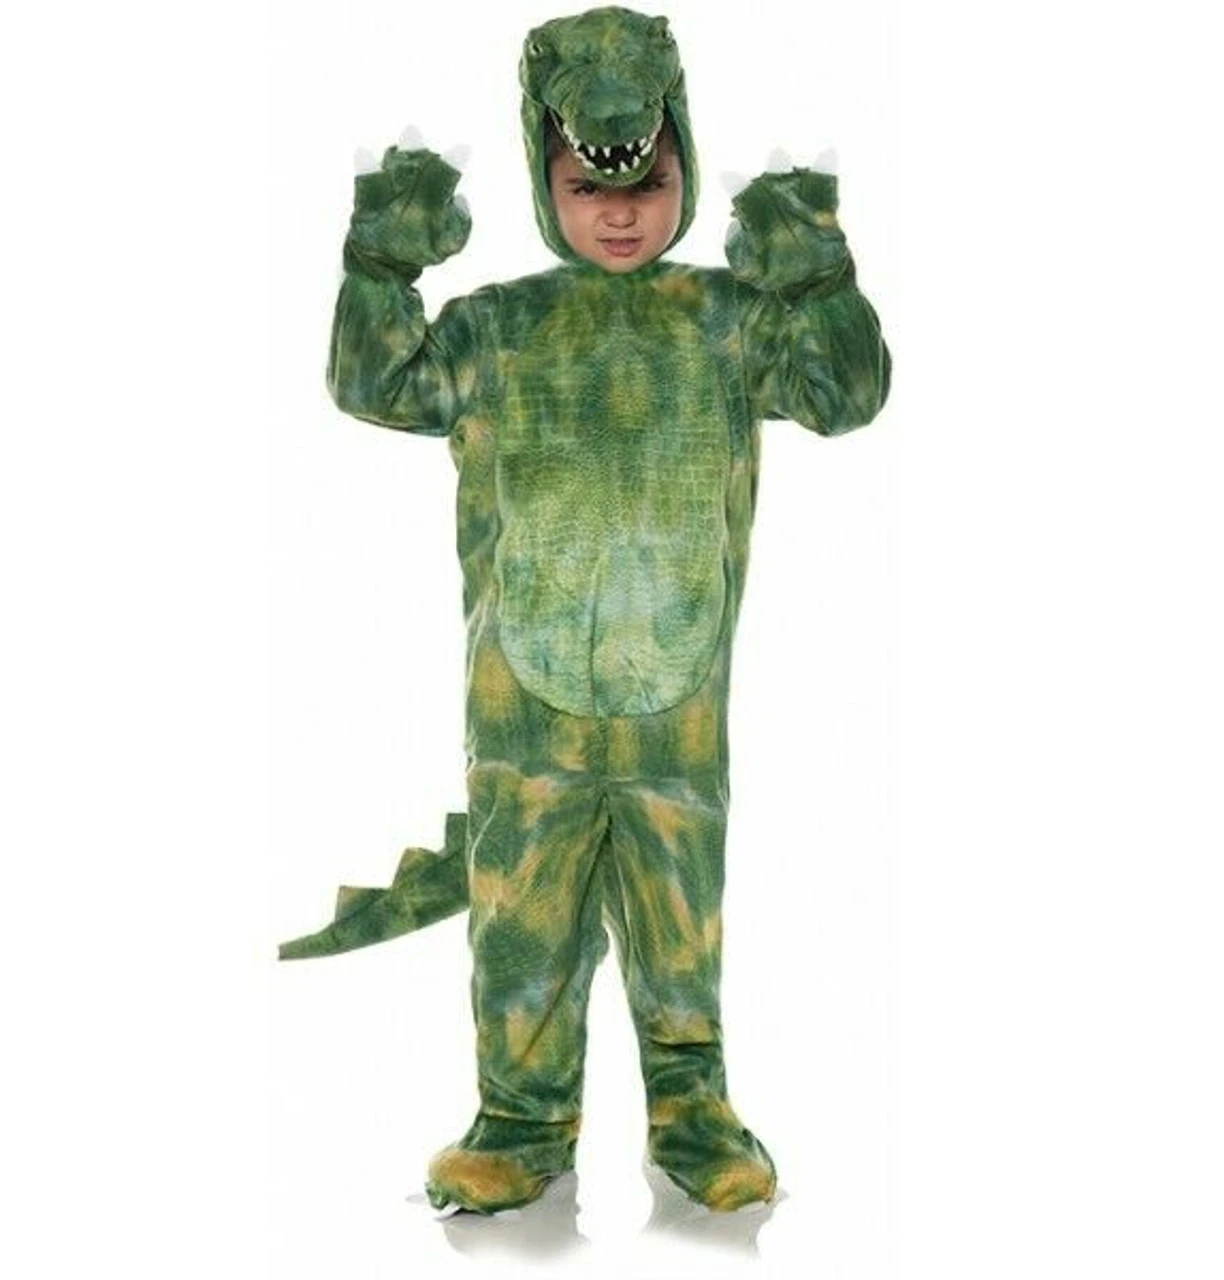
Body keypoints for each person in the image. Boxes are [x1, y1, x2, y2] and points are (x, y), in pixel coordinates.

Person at [278, 5, 891, 1217]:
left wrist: (818, 272)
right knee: (523, 936)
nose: (618, 212)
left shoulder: (728, 319)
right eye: (584, 186)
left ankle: (693, 1111)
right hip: (524, 722)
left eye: (646, 183)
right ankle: (517, 1120)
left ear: (684, 168)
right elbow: (371, 379)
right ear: (542, 180)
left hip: (677, 719)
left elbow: (845, 394)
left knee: (679, 935)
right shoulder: (496, 328)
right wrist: (378, 263)